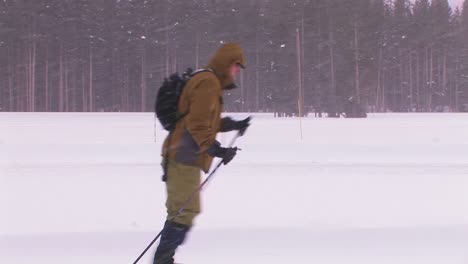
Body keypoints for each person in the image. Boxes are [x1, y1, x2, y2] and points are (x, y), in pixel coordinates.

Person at [153, 43, 251, 264]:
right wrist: (216, 149)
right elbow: (196, 124)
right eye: (236, 66)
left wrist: (233, 125)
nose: (236, 72)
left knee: (184, 211)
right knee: (183, 212)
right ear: (227, 64)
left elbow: (206, 121)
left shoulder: (209, 82)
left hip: (184, 156)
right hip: (182, 157)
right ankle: (162, 260)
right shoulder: (208, 83)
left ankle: (164, 259)